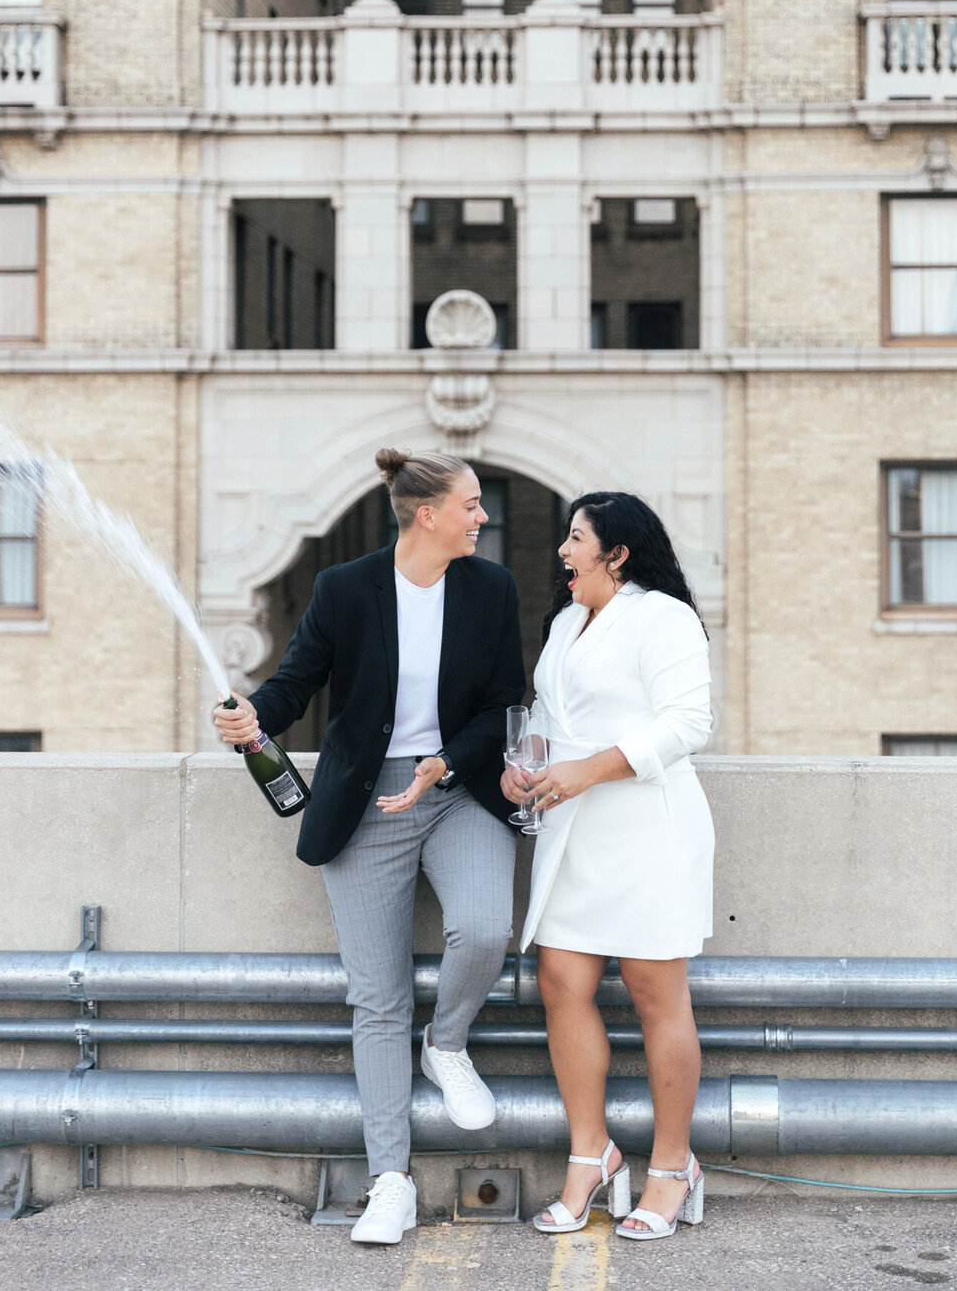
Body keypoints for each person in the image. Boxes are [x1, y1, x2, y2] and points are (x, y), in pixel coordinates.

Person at [214, 448, 524, 1247]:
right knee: (376, 998)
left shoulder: (489, 588)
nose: (480, 517)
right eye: (471, 505)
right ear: (427, 514)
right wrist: (254, 718)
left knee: (486, 928)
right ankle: (391, 1180)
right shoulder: (345, 589)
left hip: (457, 790)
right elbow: (296, 682)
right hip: (366, 803)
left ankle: (446, 1044)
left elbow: (504, 706)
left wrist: (446, 762)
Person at [503, 491, 715, 1244]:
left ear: (617, 553)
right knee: (562, 983)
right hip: (572, 829)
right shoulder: (564, 623)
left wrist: (588, 770)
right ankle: (590, 1156)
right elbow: (545, 718)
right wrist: (521, 768)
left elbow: (689, 722)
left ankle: (672, 1166)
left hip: (648, 830)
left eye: (576, 538)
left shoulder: (665, 618)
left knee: (658, 995)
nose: (563, 551)